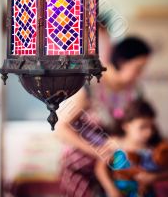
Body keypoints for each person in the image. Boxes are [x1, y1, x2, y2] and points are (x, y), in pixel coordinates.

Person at [56, 35, 153, 197]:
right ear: (122, 62)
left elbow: (136, 126)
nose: (140, 74)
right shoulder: (91, 84)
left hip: (115, 163)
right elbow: (60, 128)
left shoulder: (136, 91)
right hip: (81, 163)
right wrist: (97, 151)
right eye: (138, 68)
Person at [94, 99, 168, 197]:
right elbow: (100, 169)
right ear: (126, 126)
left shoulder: (153, 148)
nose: (148, 132)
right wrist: (111, 189)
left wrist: (154, 177)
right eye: (143, 127)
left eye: (151, 127)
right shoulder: (115, 143)